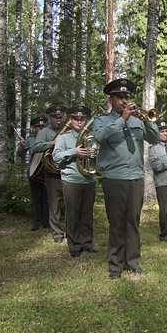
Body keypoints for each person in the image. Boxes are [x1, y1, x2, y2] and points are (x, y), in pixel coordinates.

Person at [92, 78, 160, 279]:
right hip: (114, 177)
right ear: (111, 99)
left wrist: (148, 121)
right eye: (120, 97)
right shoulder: (102, 120)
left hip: (136, 177)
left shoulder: (138, 120)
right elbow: (100, 136)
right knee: (116, 222)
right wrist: (122, 119)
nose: (124, 100)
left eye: (127, 97)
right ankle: (115, 264)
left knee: (133, 221)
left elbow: (155, 139)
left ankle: (132, 261)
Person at [52, 105, 98, 258]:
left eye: (82, 119)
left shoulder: (92, 136)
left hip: (89, 179)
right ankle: (74, 245)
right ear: (71, 120)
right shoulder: (64, 137)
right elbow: (55, 157)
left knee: (87, 214)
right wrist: (74, 151)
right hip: (71, 180)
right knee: (73, 214)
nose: (79, 122)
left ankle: (87, 242)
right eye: (76, 119)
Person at [31, 105, 68, 243]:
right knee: (54, 202)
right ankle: (57, 232)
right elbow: (35, 147)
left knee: (69, 201)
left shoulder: (67, 130)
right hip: (52, 170)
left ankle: (70, 229)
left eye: (60, 117)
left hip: (67, 169)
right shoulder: (45, 131)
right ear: (49, 118)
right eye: (55, 117)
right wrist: (51, 143)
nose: (58, 120)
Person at [17, 115, 49, 231]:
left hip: (46, 170)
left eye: (42, 126)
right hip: (33, 171)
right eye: (37, 127)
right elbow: (20, 154)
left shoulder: (48, 138)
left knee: (46, 198)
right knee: (36, 199)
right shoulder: (30, 139)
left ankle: (46, 221)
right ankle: (37, 222)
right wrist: (21, 146)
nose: (39, 128)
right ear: (34, 128)